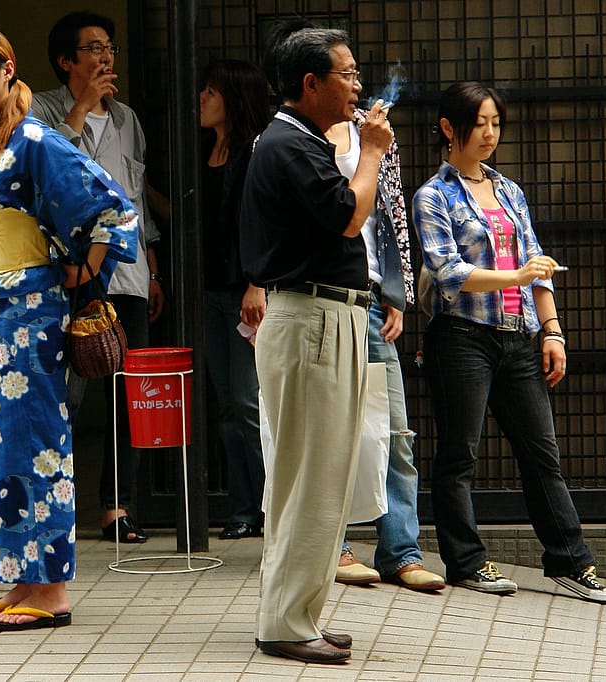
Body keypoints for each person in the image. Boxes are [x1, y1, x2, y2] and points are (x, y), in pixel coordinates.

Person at [0, 26, 138, 630]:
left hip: (31, 311)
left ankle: (50, 590)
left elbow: (111, 206)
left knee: (34, 440)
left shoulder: (34, 140)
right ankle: (18, 576)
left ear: (7, 67)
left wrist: (83, 274)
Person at [412, 81, 606, 604]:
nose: (489, 133)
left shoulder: (508, 190)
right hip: (460, 336)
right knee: (459, 454)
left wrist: (552, 331)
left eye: (495, 123)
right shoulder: (433, 195)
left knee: (541, 452)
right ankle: (465, 563)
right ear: (447, 128)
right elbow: (448, 271)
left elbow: (540, 267)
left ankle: (571, 562)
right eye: (478, 123)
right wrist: (516, 276)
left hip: (516, 338)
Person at [240, 28, 393, 664]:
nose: (357, 85)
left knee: (318, 473)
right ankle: (285, 623)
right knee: (310, 475)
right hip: (313, 320)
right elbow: (349, 217)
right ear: (311, 83)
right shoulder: (288, 144)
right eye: (347, 74)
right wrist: (373, 154)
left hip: (324, 318)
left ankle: (296, 612)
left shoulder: (293, 140)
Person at [31, 11, 164, 545]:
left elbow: (134, 198)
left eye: (109, 48)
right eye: (93, 49)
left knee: (123, 391)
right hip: (69, 272)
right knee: (62, 391)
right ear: (67, 61)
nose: (106, 58)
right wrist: (81, 109)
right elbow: (40, 170)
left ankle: (117, 505)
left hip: (126, 272)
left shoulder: (129, 119)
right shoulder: (41, 108)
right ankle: (51, 502)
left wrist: (151, 264)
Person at [325, 113, 445, 591]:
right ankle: (332, 545)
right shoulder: (291, 132)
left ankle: (401, 550)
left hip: (371, 293)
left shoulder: (372, 133)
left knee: (394, 429)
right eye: (346, 74)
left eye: (355, 74)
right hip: (320, 292)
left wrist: (397, 292)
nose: (356, 86)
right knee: (328, 430)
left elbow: (391, 209)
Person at [198, 59, 269, 540]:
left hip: (245, 292)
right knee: (225, 403)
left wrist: (256, 283)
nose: (201, 100)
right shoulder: (204, 150)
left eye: (211, 92)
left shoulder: (254, 152)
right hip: (208, 290)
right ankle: (242, 507)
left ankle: (265, 504)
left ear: (234, 98)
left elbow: (262, 224)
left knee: (247, 402)